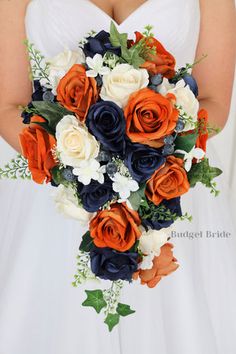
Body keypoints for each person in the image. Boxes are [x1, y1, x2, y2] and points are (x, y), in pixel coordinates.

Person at [0, 1, 235, 353]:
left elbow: (215, 101)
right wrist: (79, 158)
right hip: (54, 196)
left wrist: (148, 154)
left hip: (170, 188)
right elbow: (9, 105)